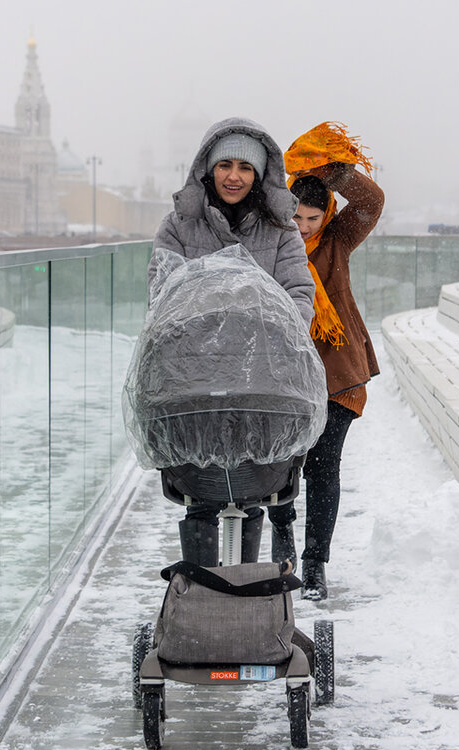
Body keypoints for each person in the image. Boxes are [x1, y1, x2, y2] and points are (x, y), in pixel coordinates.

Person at [149, 117, 315, 567]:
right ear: (208, 169)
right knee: (200, 491)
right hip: (195, 380)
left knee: (252, 482)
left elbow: (299, 294)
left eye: (245, 166)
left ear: (260, 175)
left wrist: (274, 330)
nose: (234, 176)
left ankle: (243, 592)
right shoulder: (179, 227)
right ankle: (204, 595)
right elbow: (162, 296)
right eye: (225, 165)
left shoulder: (280, 231)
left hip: (262, 377)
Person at [268, 122, 384, 600]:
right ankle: (282, 547)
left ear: (326, 216)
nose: (304, 228)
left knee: (323, 465)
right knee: (277, 464)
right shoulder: (270, 247)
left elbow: (371, 203)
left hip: (338, 375)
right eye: (297, 217)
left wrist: (330, 169)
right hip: (285, 376)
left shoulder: (338, 241)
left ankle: (315, 565)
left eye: (314, 219)